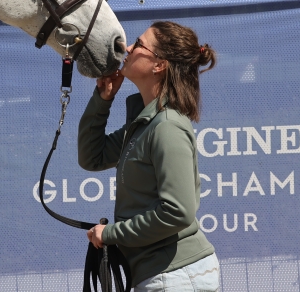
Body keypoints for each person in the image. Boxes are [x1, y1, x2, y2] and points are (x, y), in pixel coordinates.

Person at [78, 21, 219, 291]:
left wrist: (111, 234)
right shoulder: (145, 123)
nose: (128, 48)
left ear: (159, 65)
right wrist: (102, 99)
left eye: (139, 44)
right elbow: (91, 157)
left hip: (176, 276)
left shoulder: (166, 126)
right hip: (165, 275)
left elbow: (177, 212)